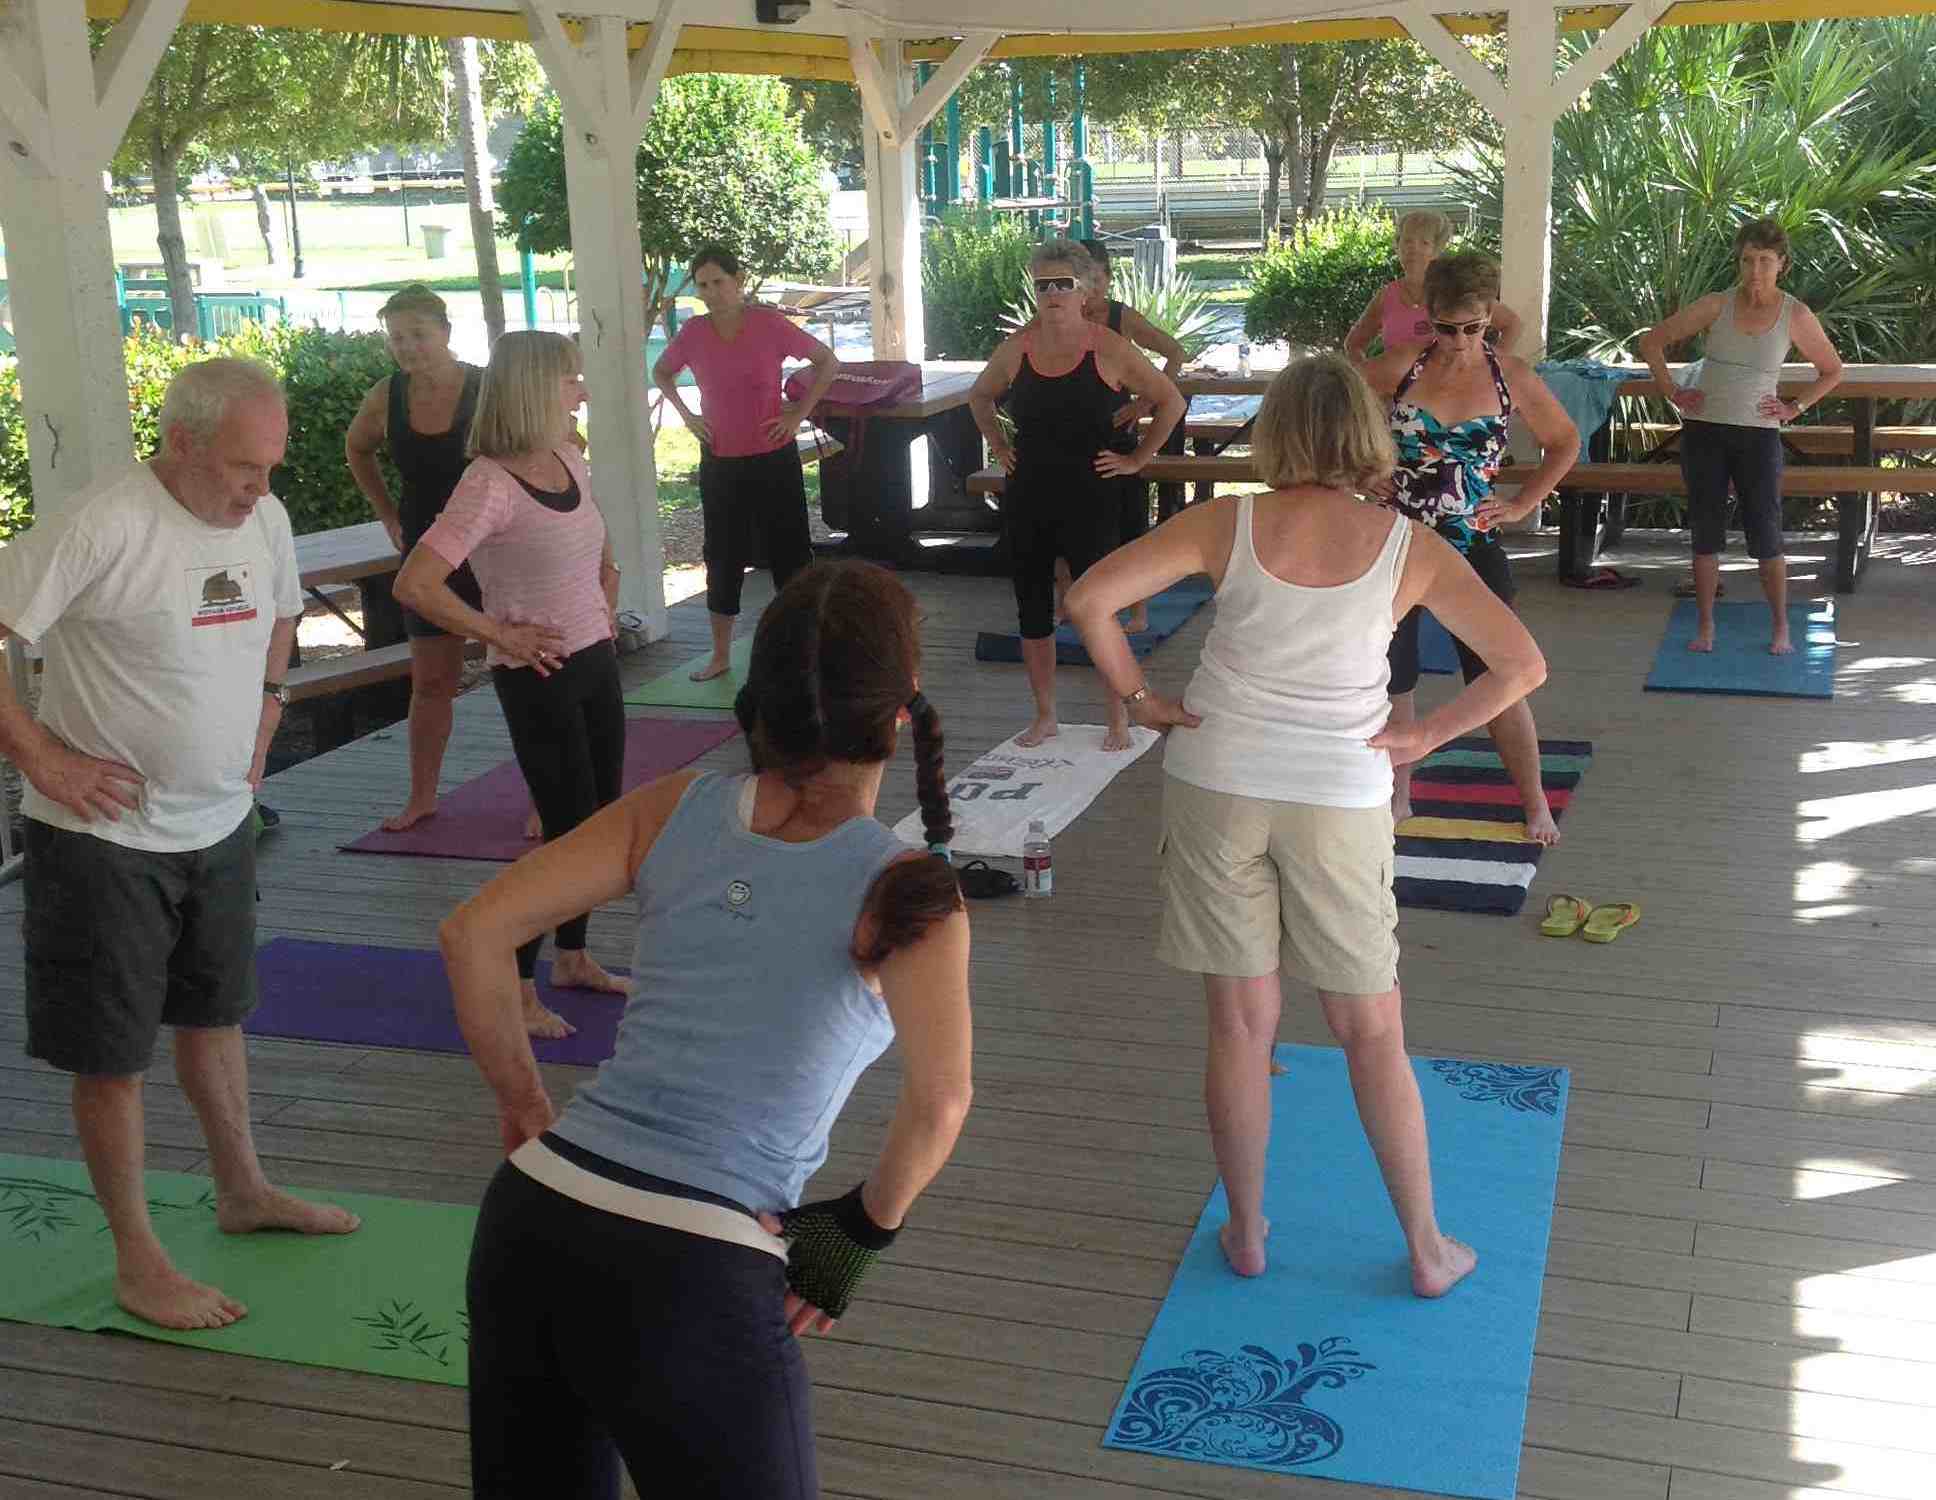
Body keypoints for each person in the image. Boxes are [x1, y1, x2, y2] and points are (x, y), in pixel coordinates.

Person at [446, 560, 973, 1499]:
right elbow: (941, 1103)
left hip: (532, 1219)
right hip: (694, 1268)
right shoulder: (910, 888)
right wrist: (856, 1232)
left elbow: (474, 931)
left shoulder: (675, 806)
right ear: (901, 712)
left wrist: (526, 1106)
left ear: (753, 703)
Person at [1064, 353, 1547, 1292]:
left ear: (1277, 433)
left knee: (1243, 1027)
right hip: (1340, 792)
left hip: (1217, 778)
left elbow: (1088, 600)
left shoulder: (1225, 520)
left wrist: (1141, 699)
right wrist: (1425, 736)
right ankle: (1425, 1249)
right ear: (1366, 438)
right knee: (1371, 1032)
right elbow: (1520, 664)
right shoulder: (1412, 544)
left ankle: (1247, 1232)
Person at [0, 358, 360, 1331]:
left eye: (274, 466)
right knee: (111, 1056)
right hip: (101, 839)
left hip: (217, 824)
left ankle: (243, 1190)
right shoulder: (103, 524)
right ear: (184, 442)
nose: (263, 488)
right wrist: (41, 759)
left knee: (217, 1015)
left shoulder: (265, 519)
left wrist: (271, 705)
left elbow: (282, 614)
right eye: (246, 466)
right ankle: (137, 1261)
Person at [394, 331, 627, 1039]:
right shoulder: (488, 483)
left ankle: (573, 957)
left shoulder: (566, 456)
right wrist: (499, 633)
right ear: (533, 389)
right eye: (570, 381)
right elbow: (417, 583)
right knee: (566, 835)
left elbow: (593, 548)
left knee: (596, 820)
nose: (581, 391)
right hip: (539, 677)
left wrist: (606, 594)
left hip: (594, 658)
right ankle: (517, 984)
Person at [1360, 250, 1579, 845]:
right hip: (1398, 537)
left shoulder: (1512, 375)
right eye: (1446, 329)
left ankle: (1534, 801)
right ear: (1427, 318)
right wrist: (1361, 471)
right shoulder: (1399, 366)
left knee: (1499, 673)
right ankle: (1400, 795)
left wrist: (1523, 502)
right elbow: (1332, 415)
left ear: (1490, 319)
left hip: (1470, 541)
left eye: (1473, 329)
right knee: (1394, 676)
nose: (1459, 342)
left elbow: (1564, 442)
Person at [969, 238, 1187, 752]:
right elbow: (979, 396)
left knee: (1097, 607)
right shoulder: (1018, 347)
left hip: (1092, 495)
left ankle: (1117, 719)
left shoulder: (1107, 347)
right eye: (1042, 284)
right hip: (1029, 494)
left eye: (1062, 284)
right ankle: (1045, 715)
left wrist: (1137, 459)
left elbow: (1170, 400)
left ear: (1085, 289)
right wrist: (998, 444)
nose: (1051, 294)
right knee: (1032, 608)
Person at [1637, 217, 1844, 654]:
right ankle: (1706, 626)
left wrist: (1794, 408)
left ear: (1781, 264)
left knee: (1766, 533)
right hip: (1705, 432)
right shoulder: (1717, 304)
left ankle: (1781, 627)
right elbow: (1652, 342)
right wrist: (1672, 391)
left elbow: (1832, 370)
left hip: (1758, 436)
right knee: (1706, 530)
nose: (1755, 271)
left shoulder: (1795, 314)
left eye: (1765, 261)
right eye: (1748, 260)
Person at [652, 244, 841, 684]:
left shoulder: (769, 324)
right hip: (721, 460)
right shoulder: (694, 333)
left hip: (773, 455)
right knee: (722, 555)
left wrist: (797, 414)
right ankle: (719, 654)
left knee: (790, 554)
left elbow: (827, 362)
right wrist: (688, 415)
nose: (712, 291)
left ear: (738, 282)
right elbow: (662, 372)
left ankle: (803, 651)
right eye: (703, 285)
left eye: (719, 282)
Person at [344, 285, 489, 832]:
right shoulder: (388, 394)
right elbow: (357, 447)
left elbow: (558, 439)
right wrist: (385, 511)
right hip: (427, 553)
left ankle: (541, 796)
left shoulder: (487, 386)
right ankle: (422, 796)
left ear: (446, 333)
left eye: (418, 335)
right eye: (397, 338)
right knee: (431, 682)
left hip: (494, 549)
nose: (407, 347)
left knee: (524, 676)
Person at [1077, 237, 1188, 633]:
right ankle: (1070, 606)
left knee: (1127, 531)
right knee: (1069, 530)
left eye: (1091, 277)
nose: (1083, 287)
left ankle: (1138, 614)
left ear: (1105, 279)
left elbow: (1175, 352)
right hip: (1071, 441)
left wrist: (1146, 403)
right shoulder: (1053, 321)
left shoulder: (1119, 318)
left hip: (1116, 439)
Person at [1344, 209, 1525, 364]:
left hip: (1447, 398)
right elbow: (1353, 344)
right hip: (1395, 400)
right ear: (1397, 247)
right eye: (1407, 241)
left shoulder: (1455, 291)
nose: (1413, 248)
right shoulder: (1386, 296)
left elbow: (1512, 325)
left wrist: (1491, 367)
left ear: (1437, 249)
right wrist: (1369, 381)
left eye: (1424, 242)